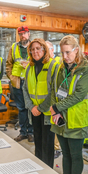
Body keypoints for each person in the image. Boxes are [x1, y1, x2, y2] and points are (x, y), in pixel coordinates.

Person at [50, 35, 88, 174]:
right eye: (62, 53)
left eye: (68, 52)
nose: (65, 56)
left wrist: (56, 108)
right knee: (66, 154)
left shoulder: (87, 70)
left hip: (75, 119)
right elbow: (55, 90)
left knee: (75, 155)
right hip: (61, 119)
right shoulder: (61, 68)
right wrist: (56, 111)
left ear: (77, 50)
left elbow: (78, 95)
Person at [22, 38, 58, 167]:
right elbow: (24, 88)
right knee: (38, 141)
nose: (35, 51)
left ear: (44, 49)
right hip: (34, 111)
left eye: (38, 48)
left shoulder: (53, 66)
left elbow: (55, 91)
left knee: (47, 144)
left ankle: (48, 171)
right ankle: (39, 169)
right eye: (32, 49)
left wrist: (41, 108)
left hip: (48, 111)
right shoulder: (29, 68)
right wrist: (31, 107)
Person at [6, 26, 34, 142]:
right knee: (22, 109)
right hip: (18, 83)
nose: (23, 36)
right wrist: (12, 78)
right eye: (20, 34)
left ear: (29, 34)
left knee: (31, 108)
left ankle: (31, 133)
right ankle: (23, 132)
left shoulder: (34, 47)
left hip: (31, 83)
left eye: (25, 33)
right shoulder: (13, 47)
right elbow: (8, 64)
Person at [45, 40, 62, 159]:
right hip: (46, 99)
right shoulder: (45, 63)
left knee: (55, 123)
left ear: (52, 51)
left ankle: (56, 148)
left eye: (46, 50)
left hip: (57, 98)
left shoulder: (58, 62)